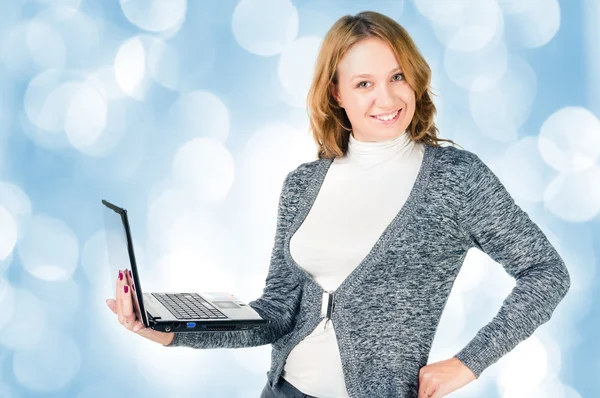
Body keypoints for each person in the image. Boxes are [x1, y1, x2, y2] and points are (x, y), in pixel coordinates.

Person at [106, 11, 571, 398]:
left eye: (397, 77)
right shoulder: (303, 185)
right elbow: (275, 313)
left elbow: (547, 273)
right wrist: (168, 330)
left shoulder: (456, 178)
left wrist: (469, 363)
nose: (387, 98)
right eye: (364, 83)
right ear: (337, 93)